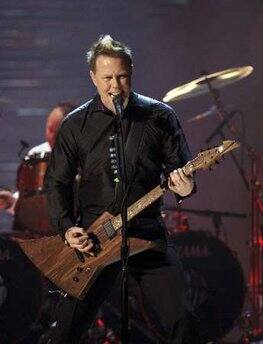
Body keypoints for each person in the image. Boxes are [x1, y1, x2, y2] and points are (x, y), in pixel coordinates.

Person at [44, 35, 201, 344]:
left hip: (146, 233)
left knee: (184, 322)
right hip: (94, 240)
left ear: (132, 71)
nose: (114, 85)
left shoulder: (159, 116)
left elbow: (180, 171)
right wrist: (67, 228)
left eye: (122, 76)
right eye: (106, 78)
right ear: (93, 77)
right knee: (63, 332)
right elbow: (56, 182)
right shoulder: (76, 125)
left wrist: (186, 186)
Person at [0, 102, 76, 231]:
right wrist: (11, 202)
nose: (50, 136)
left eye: (56, 131)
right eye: (49, 129)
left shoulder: (90, 156)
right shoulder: (37, 155)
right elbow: (31, 202)